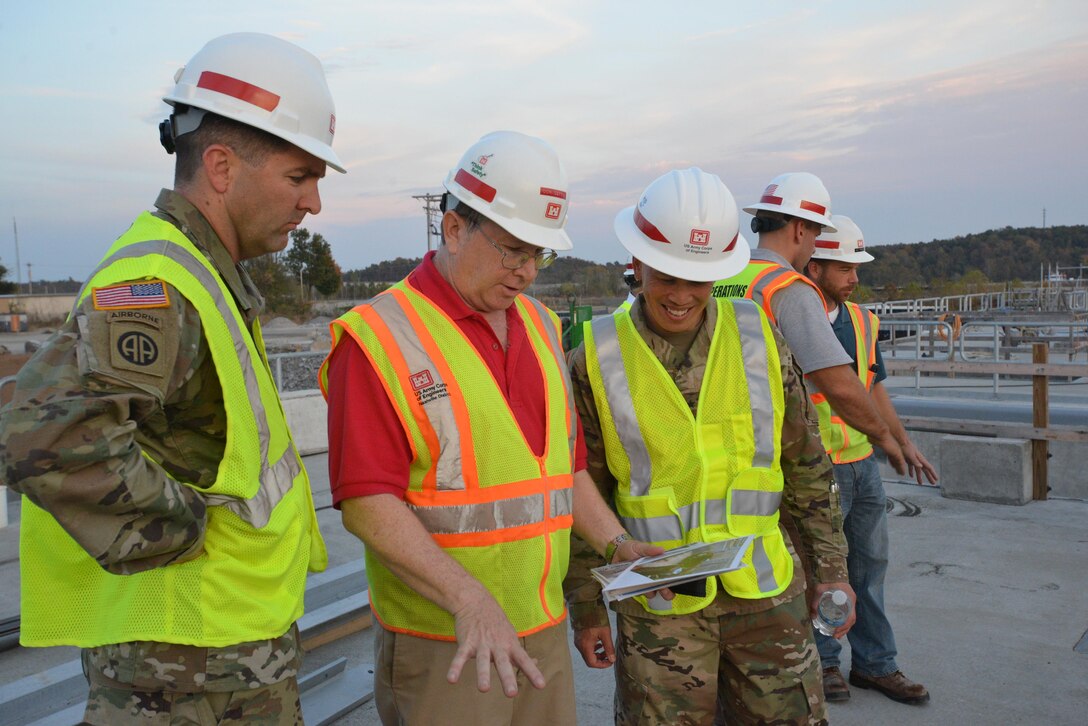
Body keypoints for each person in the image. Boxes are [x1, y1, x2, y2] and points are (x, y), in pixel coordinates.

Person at [0, 33, 343, 724]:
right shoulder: (156, 281)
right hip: (186, 665)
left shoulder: (203, 270)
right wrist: (179, 530)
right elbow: (44, 432)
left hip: (217, 652)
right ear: (220, 165)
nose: (313, 203)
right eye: (299, 176)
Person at [319, 130, 663, 726]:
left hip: (541, 629)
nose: (527, 272)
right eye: (513, 250)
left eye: (539, 255)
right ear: (454, 229)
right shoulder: (380, 338)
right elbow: (366, 504)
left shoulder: (541, 326)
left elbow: (565, 470)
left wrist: (617, 545)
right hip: (446, 643)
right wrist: (468, 599)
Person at [564, 167, 855, 725]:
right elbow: (583, 492)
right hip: (660, 605)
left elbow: (806, 464)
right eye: (665, 275)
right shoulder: (595, 357)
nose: (679, 295)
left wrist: (832, 569)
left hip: (766, 595)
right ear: (637, 262)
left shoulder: (758, 335)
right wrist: (586, 607)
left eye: (696, 279)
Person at [803, 216, 936, 706]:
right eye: (843, 267)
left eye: (856, 266)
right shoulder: (793, 315)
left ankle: (876, 665)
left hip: (861, 465)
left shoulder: (861, 320)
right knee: (823, 570)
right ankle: (824, 663)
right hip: (816, 469)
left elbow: (872, 387)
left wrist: (900, 442)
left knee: (870, 568)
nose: (854, 277)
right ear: (813, 265)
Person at [711, 172, 910, 477]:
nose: (814, 243)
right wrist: (884, 436)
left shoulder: (723, 279)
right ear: (801, 229)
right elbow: (838, 384)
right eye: (817, 234)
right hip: (777, 451)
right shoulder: (789, 288)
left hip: (728, 443)